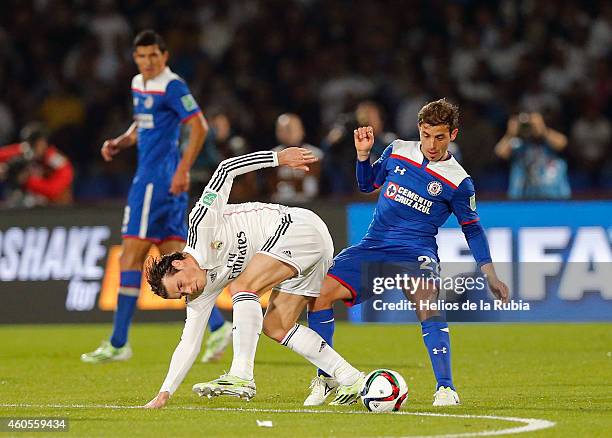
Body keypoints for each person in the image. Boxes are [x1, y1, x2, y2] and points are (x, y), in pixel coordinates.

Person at [304, 99, 509, 407]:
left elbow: (473, 229)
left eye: (440, 136)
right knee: (318, 295)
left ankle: (445, 388)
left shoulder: (459, 181)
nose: (432, 144)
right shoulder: (397, 149)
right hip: (374, 244)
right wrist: (362, 156)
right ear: (419, 130)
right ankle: (328, 377)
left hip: (416, 251)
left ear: (453, 134)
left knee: (426, 302)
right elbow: (366, 184)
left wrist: (489, 272)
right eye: (427, 135)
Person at [142, 147, 364, 409]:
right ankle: (351, 377)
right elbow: (189, 343)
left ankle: (242, 375)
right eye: (181, 294)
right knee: (276, 326)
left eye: (181, 284)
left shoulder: (201, 223)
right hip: (304, 250)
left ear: (179, 262)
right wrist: (164, 392)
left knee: (242, 286)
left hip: (298, 226)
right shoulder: (199, 290)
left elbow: (225, 169)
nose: (188, 290)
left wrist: (277, 159)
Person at [81, 30, 231, 363]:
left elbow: (200, 127)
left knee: (129, 258)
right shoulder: (139, 84)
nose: (147, 62)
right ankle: (219, 326)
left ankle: (119, 343)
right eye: (141, 56)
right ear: (135, 58)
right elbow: (143, 123)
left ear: (164, 56)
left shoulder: (172, 85)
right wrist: (122, 141)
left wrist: (183, 170)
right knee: (173, 258)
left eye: (153, 56)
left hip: (155, 182)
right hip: (158, 183)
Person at [495, 112, 570, 199]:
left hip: (555, 196)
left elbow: (563, 143)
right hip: (523, 198)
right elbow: (500, 152)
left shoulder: (550, 140)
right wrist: (510, 134)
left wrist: (543, 131)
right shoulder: (517, 143)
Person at [0, 122, 73, 207]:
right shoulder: (26, 150)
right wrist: (5, 169)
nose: (31, 148)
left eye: (36, 143)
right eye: (29, 143)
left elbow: (53, 191)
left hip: (57, 210)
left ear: (44, 142)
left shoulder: (58, 162)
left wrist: (27, 180)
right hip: (29, 205)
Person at [269, 113, 323, 203]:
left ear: (301, 130)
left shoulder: (314, 154)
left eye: (289, 129)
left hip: (310, 204)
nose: (285, 133)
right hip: (280, 205)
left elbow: (311, 184)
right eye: (281, 130)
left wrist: (287, 180)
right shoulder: (272, 155)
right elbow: (271, 184)